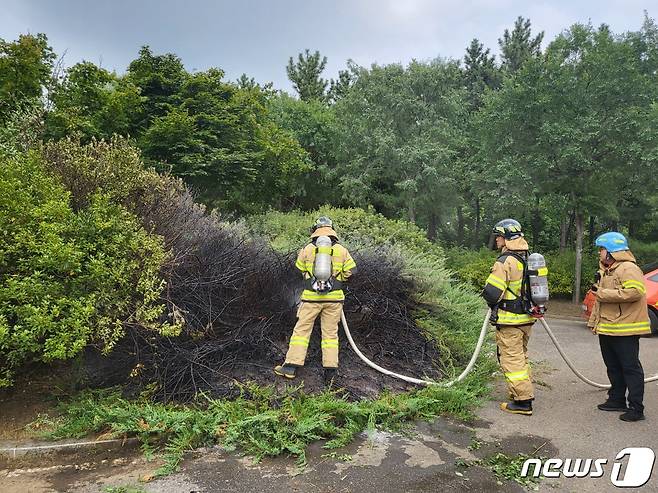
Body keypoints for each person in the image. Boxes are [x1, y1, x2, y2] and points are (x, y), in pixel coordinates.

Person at [274, 216, 357, 385]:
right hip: (334, 300)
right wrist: (337, 281)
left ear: (315, 230)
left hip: (311, 298)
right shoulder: (341, 250)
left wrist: (310, 279)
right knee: (330, 335)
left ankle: (290, 367)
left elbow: (298, 268)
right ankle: (330, 374)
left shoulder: (307, 249)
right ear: (332, 229)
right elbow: (352, 270)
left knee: (301, 332)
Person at [588, 232, 649, 422]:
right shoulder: (608, 270)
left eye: (602, 249)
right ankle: (616, 400)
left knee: (630, 368)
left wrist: (603, 293)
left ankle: (636, 408)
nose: (599, 253)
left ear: (611, 251)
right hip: (608, 327)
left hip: (625, 328)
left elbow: (635, 291)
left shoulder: (628, 268)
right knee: (613, 367)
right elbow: (601, 300)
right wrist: (595, 322)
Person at [482, 219, 536, 416]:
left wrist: (487, 294)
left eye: (499, 236)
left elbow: (492, 293)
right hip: (526, 319)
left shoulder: (505, 261)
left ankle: (523, 401)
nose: (497, 240)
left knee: (512, 360)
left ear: (506, 238)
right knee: (521, 357)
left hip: (510, 320)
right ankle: (523, 392)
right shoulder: (527, 257)